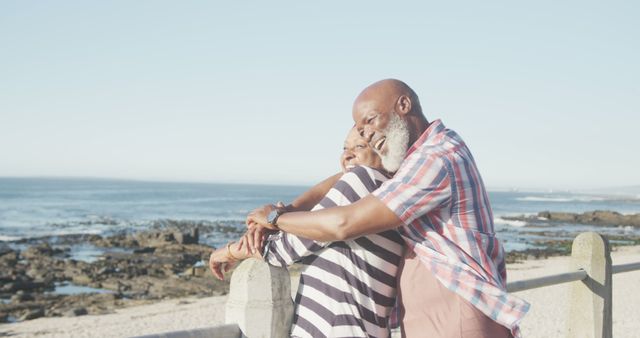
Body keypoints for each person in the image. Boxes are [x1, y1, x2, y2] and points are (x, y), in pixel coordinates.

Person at [246, 79, 530, 338]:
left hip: (455, 312)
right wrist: (291, 207)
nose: (367, 135)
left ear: (403, 105)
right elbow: (347, 177)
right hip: (434, 314)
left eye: (370, 121)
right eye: (361, 131)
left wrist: (276, 217)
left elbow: (344, 224)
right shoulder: (421, 157)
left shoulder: (435, 159)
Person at [209, 128, 404, 338]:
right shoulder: (387, 194)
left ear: (384, 150)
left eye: (359, 146)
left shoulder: (363, 180)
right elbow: (310, 219)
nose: (347, 155)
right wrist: (276, 218)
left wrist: (229, 251)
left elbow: (285, 248)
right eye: (344, 147)